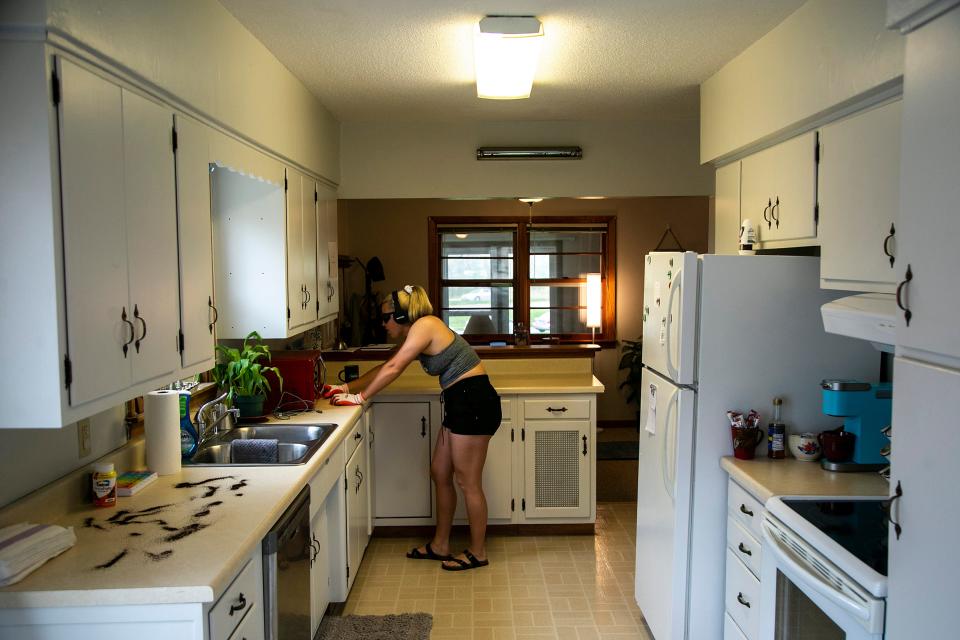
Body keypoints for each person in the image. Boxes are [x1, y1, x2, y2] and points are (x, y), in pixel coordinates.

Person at [323, 285, 501, 571]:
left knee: (469, 482)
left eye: (386, 318)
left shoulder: (425, 325)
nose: (383, 324)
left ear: (403, 315)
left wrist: (360, 398)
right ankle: (441, 545)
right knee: (439, 472)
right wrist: (344, 387)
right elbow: (387, 365)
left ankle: (478, 552)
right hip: (460, 402)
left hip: (474, 402)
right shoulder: (415, 333)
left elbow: (394, 369)